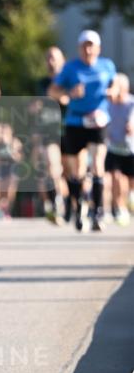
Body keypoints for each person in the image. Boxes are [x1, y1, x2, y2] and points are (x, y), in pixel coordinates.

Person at [48, 30, 117, 232]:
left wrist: (112, 92)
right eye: (84, 45)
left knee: (97, 164)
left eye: (91, 45)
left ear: (98, 48)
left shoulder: (107, 66)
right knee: (76, 171)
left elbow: (115, 85)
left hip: (99, 120)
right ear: (79, 48)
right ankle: (79, 209)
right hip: (75, 121)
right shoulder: (70, 68)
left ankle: (98, 213)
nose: (88, 49)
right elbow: (52, 91)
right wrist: (69, 93)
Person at [34, 46, 70, 224]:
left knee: (71, 174)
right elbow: (36, 105)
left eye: (54, 57)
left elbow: (68, 101)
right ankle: (56, 203)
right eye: (48, 57)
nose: (51, 61)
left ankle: (74, 203)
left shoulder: (68, 80)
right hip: (48, 131)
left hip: (70, 130)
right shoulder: (41, 83)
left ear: (62, 59)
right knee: (51, 166)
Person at [105, 73, 134, 225]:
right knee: (116, 177)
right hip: (114, 147)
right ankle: (120, 209)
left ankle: (131, 196)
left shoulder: (131, 103)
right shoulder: (108, 104)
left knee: (130, 181)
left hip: (130, 148)